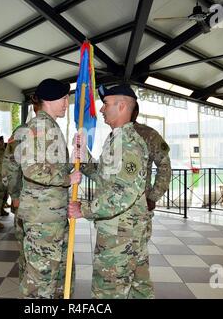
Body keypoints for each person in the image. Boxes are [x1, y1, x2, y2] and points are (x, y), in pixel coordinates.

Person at [68, 84, 153, 299]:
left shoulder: (128, 144)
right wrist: (83, 155)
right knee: (138, 291)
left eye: (105, 104)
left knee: (108, 292)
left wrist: (84, 209)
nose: (102, 109)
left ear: (122, 106)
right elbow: (104, 176)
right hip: (126, 231)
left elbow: (124, 194)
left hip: (121, 235)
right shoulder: (117, 139)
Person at [18, 78, 81, 299]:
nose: (67, 102)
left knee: (56, 275)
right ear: (49, 99)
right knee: (40, 279)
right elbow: (31, 169)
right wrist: (67, 178)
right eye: (63, 98)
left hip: (52, 216)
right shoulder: (38, 127)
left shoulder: (51, 127)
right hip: (41, 218)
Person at [2, 100, 42, 283]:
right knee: (27, 246)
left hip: (49, 205)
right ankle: (28, 288)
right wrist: (15, 194)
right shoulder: (22, 132)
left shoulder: (54, 133)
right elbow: (10, 166)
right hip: (27, 199)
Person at [131, 102, 171, 212]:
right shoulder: (114, 135)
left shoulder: (149, 135)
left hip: (138, 204)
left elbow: (164, 165)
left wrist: (153, 196)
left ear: (136, 113)